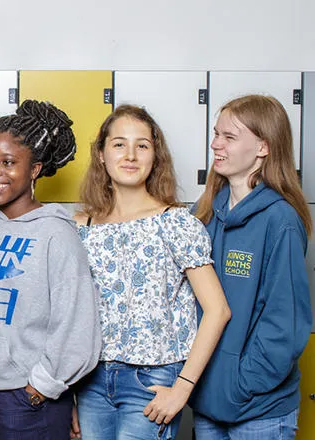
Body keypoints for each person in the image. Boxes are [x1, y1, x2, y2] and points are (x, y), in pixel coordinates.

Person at [0, 100, 101, 440]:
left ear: (35, 170)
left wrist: (42, 385)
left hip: (23, 400)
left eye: (8, 162)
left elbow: (75, 323)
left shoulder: (56, 234)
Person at [73, 105, 231, 440]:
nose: (130, 155)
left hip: (152, 380)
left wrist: (182, 389)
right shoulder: (79, 227)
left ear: (155, 155)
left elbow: (218, 311)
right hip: (89, 382)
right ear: (101, 154)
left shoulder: (176, 223)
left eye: (142, 145)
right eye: (119, 144)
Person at [189, 94, 311, 439]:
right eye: (216, 134)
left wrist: (239, 384)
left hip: (259, 410)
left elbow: (284, 325)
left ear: (263, 147)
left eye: (229, 137)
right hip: (207, 402)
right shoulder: (205, 210)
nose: (216, 144)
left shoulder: (281, 220)